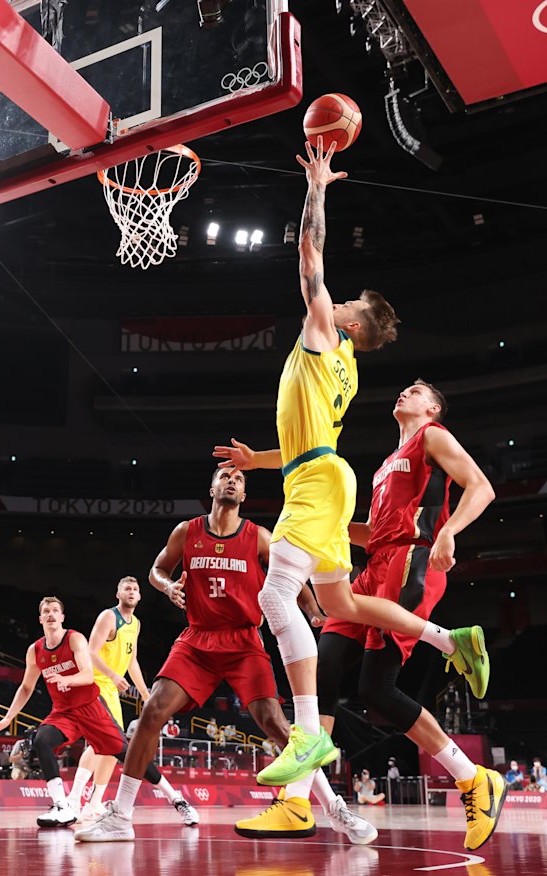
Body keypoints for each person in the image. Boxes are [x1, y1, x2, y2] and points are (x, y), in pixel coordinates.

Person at [212, 142, 489, 833]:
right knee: (339, 601)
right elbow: (313, 444)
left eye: (345, 303)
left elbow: (309, 257)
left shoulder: (323, 333)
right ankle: (448, 641)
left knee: (278, 593)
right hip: (322, 475)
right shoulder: (349, 372)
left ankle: (307, 734)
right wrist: (261, 458)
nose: (332, 301)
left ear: (353, 323)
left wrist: (316, 189)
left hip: (322, 487)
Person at [75, 467, 377, 845]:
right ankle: (120, 816)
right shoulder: (187, 531)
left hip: (243, 641)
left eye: (239, 479)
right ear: (212, 487)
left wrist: (313, 609)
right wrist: (169, 587)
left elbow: (292, 573)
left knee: (277, 725)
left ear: (244, 495)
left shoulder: (259, 537)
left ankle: (336, 810)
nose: (232, 481)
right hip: (198, 639)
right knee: (152, 711)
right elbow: (156, 569)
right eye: (225, 476)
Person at [314, 379, 505, 851]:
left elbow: (481, 488)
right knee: (327, 663)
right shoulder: (382, 467)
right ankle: (302, 791)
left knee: (376, 690)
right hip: (374, 566)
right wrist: (325, 528)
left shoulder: (432, 436)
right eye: (402, 388)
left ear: (433, 407)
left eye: (416, 391)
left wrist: (450, 532)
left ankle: (473, 778)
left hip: (412, 562)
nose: (403, 393)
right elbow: (374, 535)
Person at [0, 596, 191, 828]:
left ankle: (177, 799)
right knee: (42, 740)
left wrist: (68, 679)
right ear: (40, 618)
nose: (51, 614)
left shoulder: (75, 639)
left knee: (129, 755)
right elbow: (26, 688)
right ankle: (63, 806)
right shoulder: (35, 651)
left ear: (62, 617)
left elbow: (88, 674)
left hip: (91, 708)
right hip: (64, 713)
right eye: (46, 611)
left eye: (55, 610)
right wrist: (7, 718)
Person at [65, 577, 193, 823]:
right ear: (118, 593)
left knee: (113, 748)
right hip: (95, 685)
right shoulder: (108, 617)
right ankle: (73, 800)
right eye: (127, 588)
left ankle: (93, 804)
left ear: (140, 596)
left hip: (110, 690)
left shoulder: (135, 623)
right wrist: (113, 675)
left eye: (135, 589)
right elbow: (90, 652)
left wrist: (146, 694)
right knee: (98, 743)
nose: (131, 591)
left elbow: (131, 661)